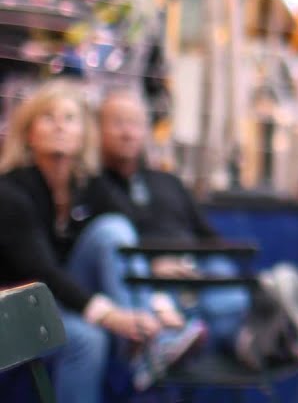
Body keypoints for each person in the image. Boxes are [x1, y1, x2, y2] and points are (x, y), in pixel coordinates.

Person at [0, 80, 203, 403]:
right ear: (29, 133)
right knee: (87, 338)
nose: (60, 127)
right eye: (48, 118)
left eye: (69, 118)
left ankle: (148, 345)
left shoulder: (88, 185)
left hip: (60, 299)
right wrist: (111, 316)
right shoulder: (11, 191)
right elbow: (42, 272)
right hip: (15, 306)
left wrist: (158, 303)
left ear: (84, 134)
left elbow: (127, 242)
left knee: (112, 229)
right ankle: (148, 350)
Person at [84, 86, 252, 354]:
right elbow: (106, 253)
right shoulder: (91, 186)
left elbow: (207, 235)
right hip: (143, 282)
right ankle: (170, 346)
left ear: (146, 130)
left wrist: (191, 263)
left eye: (135, 123)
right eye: (117, 123)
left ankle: (247, 341)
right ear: (98, 129)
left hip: (193, 270)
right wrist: (152, 266)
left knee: (224, 271)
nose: (128, 132)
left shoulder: (169, 181)